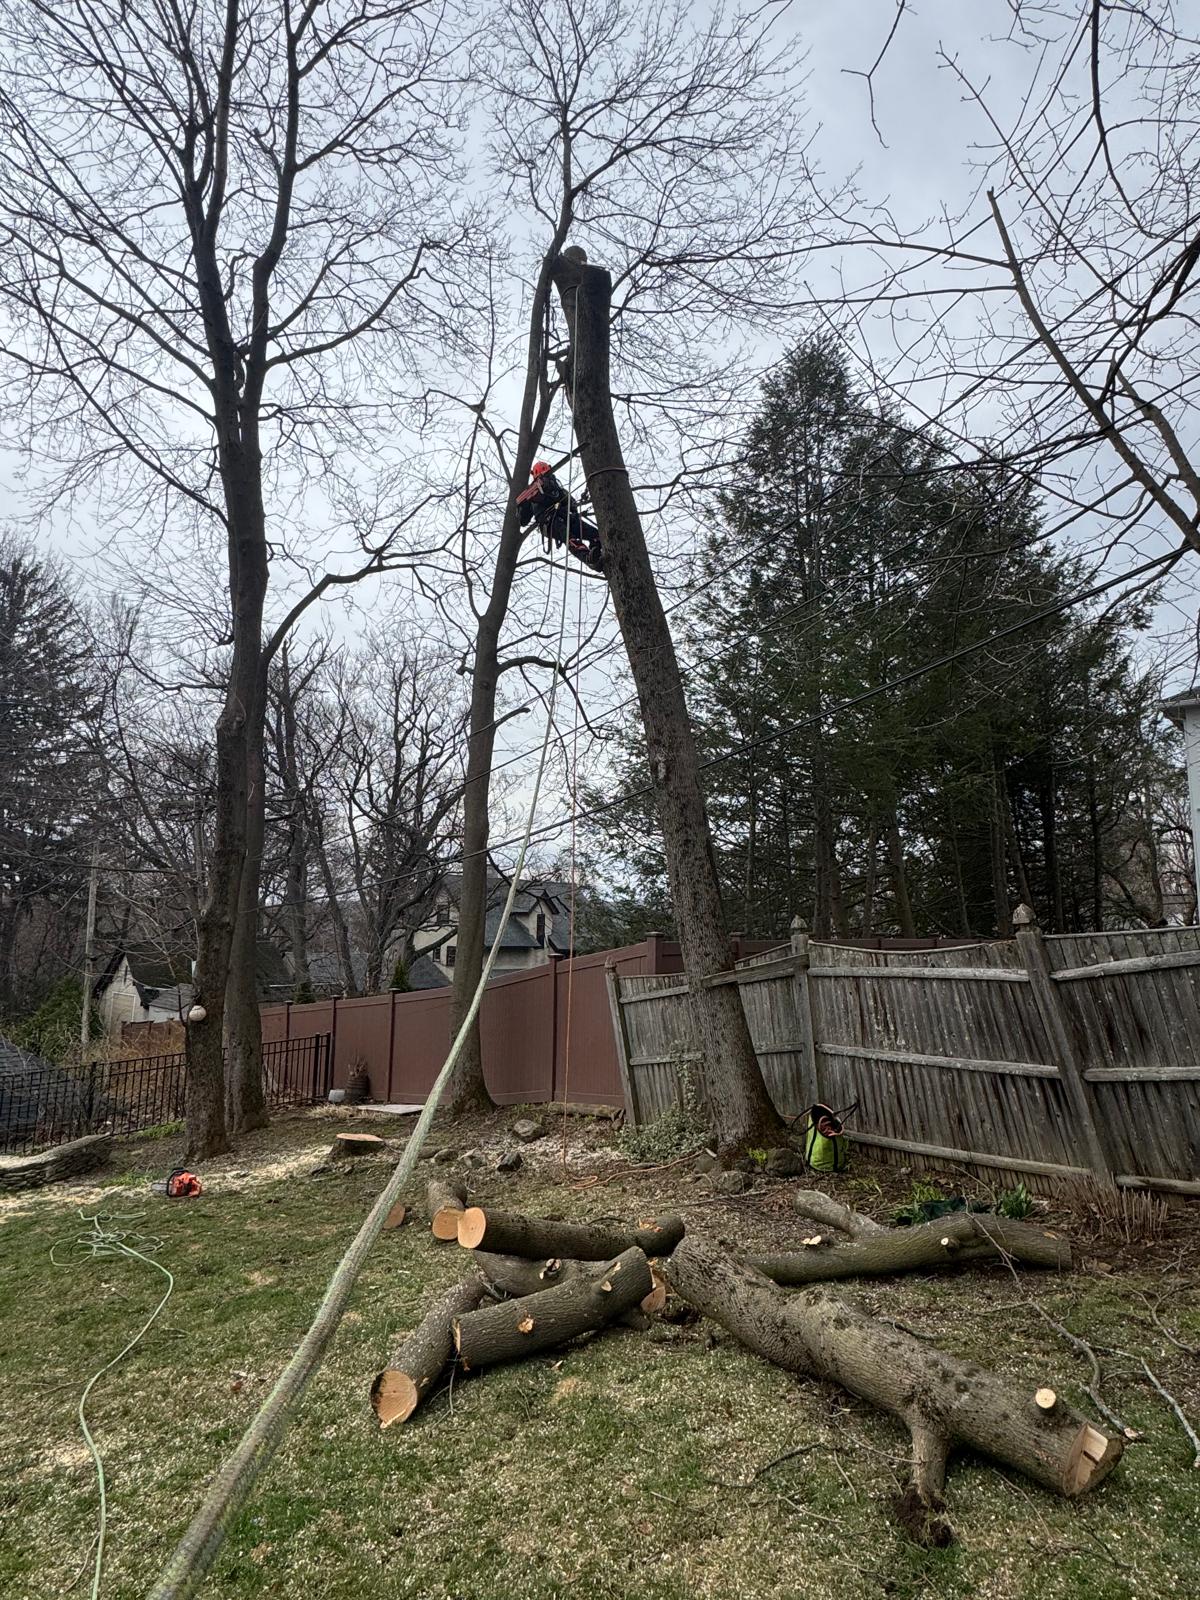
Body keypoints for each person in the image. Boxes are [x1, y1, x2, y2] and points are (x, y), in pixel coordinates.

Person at [516, 460, 604, 571]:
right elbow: (523, 521)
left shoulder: (557, 488)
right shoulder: (532, 495)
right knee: (568, 537)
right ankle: (589, 559)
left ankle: (596, 551)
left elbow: (572, 504)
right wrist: (522, 507)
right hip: (549, 522)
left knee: (596, 534)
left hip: (567, 517)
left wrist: (557, 493)